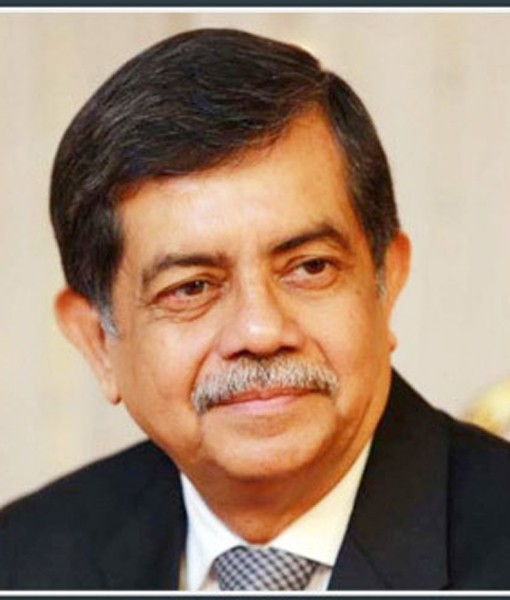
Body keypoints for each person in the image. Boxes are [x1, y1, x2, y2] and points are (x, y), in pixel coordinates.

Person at [1, 28, 510, 591]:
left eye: (310, 267)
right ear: (98, 340)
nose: (261, 331)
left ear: (386, 282)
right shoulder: (23, 561)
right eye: (192, 288)